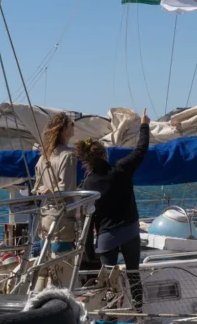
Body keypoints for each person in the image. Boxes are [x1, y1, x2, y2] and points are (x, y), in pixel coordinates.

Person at [79, 109, 150, 311]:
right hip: (129, 231)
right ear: (104, 154)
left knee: (108, 279)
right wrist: (144, 125)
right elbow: (141, 150)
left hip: (106, 237)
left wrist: (89, 250)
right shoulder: (121, 169)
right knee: (133, 273)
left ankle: (110, 315)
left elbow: (89, 219)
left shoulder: (88, 183)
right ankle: (138, 311)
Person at [33, 112, 78, 290]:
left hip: (45, 217)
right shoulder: (68, 155)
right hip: (62, 217)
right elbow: (67, 187)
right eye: (72, 124)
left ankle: (39, 295)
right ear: (65, 129)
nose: (74, 127)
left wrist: (46, 190)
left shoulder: (43, 157)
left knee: (46, 261)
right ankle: (60, 298)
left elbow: (36, 188)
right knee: (61, 261)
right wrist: (53, 190)